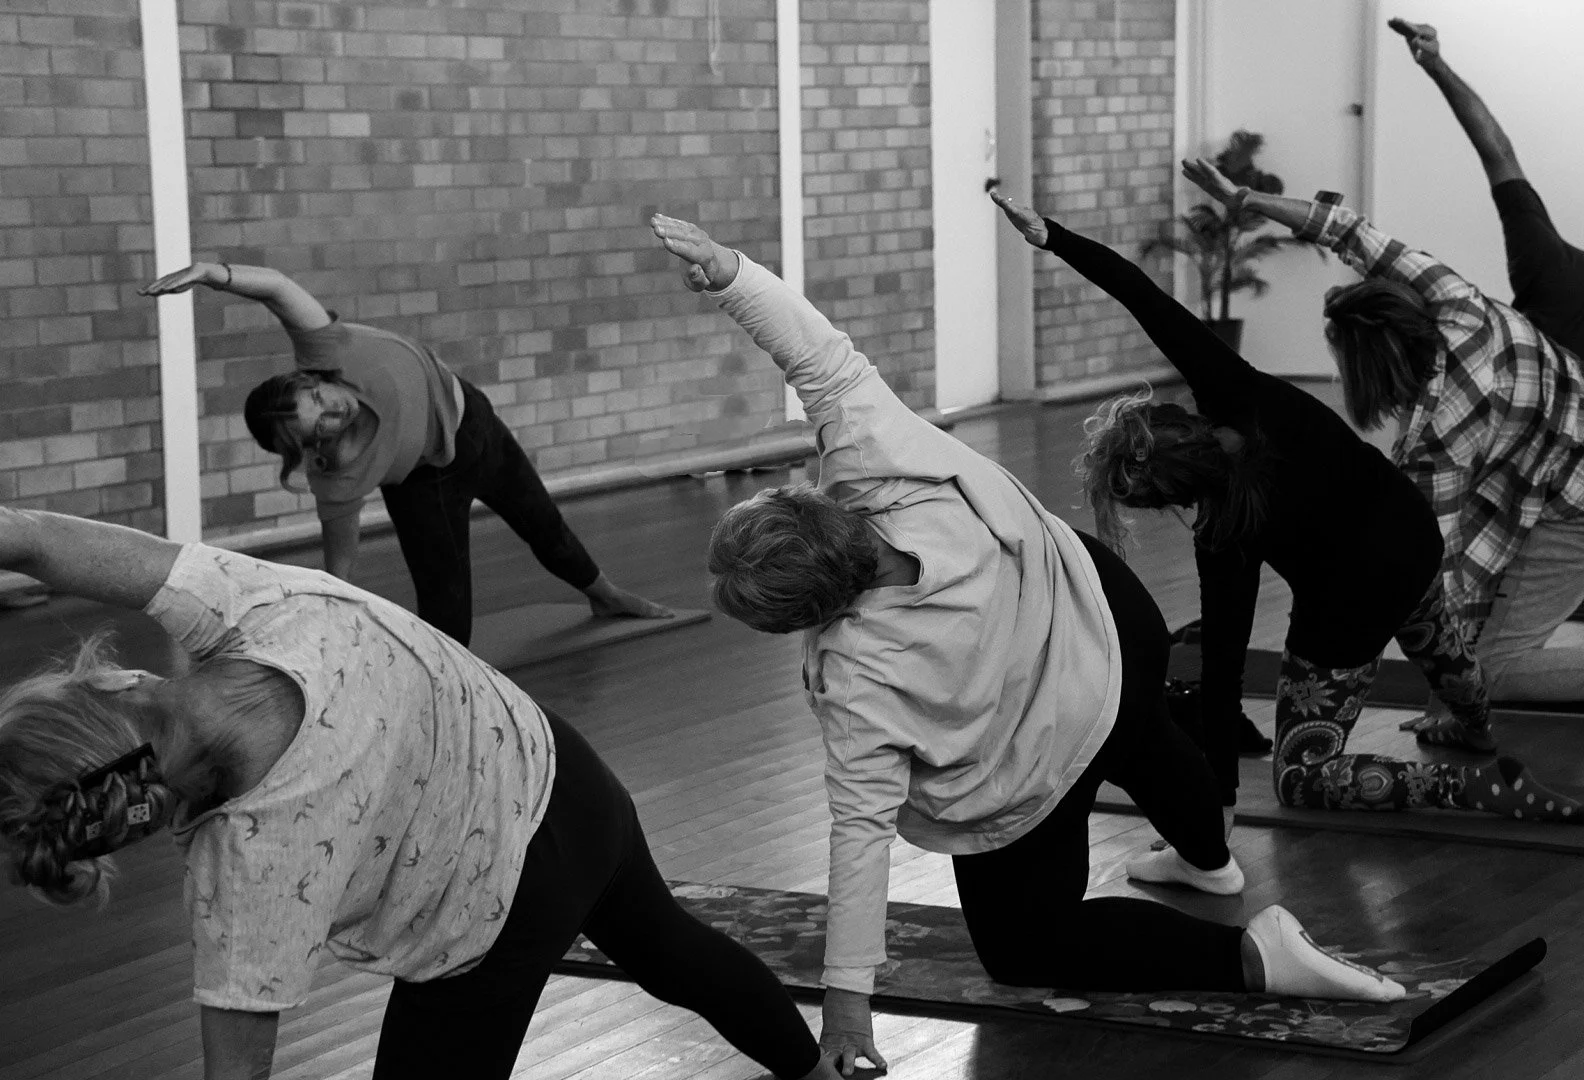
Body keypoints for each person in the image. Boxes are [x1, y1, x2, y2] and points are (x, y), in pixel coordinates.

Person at [651, 213, 1409, 1078]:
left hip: (1050, 733)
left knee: (1025, 948)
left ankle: (1251, 954)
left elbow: (859, 837)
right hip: (1106, 615)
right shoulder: (878, 458)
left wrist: (848, 1010)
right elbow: (819, 356)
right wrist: (731, 274)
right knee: (1145, 734)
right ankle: (1211, 861)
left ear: (807, 614)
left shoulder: (861, 678)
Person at [0, 507, 836, 1080]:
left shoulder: (244, 878)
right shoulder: (253, 600)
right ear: (115, 688)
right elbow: (31, 539)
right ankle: (817, 1069)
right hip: (563, 778)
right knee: (670, 949)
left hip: (499, 904)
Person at [990, 187, 1584, 825]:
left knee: (1304, 776)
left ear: (1169, 498)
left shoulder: (1222, 534)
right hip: (1413, 539)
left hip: (1352, 604)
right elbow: (1145, 297)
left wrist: (1220, 795)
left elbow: (1223, 669)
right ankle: (1476, 723)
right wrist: (1051, 236)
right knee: (1430, 625)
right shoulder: (1235, 389)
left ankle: (1467, 786)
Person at [1180, 158, 1584, 707]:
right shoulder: (1453, 299)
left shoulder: (1440, 433)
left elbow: (1441, 573)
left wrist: (1451, 701)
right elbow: (1350, 231)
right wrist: (1250, 199)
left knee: (1496, 669)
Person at [139, 263, 670, 646]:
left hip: (476, 426)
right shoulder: (338, 474)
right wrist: (330, 624)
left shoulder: (329, 349)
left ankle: (605, 594)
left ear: (310, 379)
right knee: (447, 611)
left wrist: (213, 274)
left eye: (320, 400)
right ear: (308, 448)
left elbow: (277, 288)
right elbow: (340, 567)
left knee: (544, 526)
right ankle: (444, 683)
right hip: (425, 485)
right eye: (317, 428)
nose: (333, 415)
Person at [1389, 17, 1584, 380]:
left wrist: (1436, 66)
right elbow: (1499, 154)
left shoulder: (1546, 269)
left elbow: (1498, 152)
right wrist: (1436, 67)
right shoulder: (1547, 267)